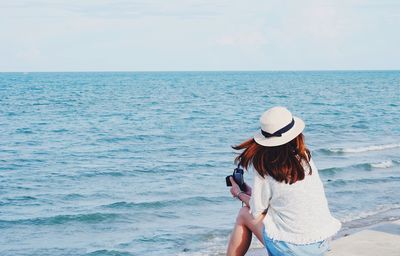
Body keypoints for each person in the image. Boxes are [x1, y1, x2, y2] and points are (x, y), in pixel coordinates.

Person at [226, 106, 341, 256]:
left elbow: (257, 210)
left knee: (243, 214)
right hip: (318, 243)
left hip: (292, 249)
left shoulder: (265, 167)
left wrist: (239, 193)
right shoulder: (305, 158)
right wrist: (251, 193)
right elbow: (285, 200)